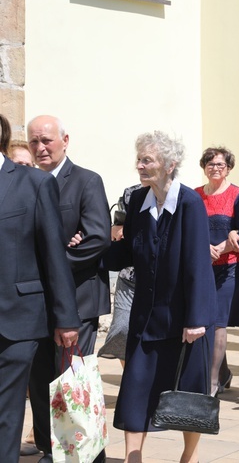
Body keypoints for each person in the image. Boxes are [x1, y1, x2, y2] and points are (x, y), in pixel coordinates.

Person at [104, 130, 216, 462]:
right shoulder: (138, 200)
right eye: (139, 159)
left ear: (170, 164)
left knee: (187, 393)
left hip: (183, 320)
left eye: (147, 160)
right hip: (146, 316)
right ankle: (133, 456)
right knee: (135, 389)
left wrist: (197, 319)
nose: (139, 165)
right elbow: (127, 252)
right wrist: (93, 249)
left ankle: (189, 455)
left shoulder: (190, 203)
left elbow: (197, 263)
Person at [27, 115, 111, 462]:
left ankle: (84, 452)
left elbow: (96, 237)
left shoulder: (86, 181)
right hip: (37, 302)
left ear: (64, 140)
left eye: (46, 140)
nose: (40, 147)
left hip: (78, 301)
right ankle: (50, 448)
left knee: (73, 381)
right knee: (40, 381)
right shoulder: (27, 182)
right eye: (34, 142)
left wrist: (55, 259)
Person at [0, 118, 80, 463]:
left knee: (7, 412)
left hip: (17, 319)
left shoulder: (34, 183)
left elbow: (53, 254)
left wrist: (66, 319)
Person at [196, 147, 239, 395]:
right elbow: (189, 229)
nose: (215, 168)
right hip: (202, 266)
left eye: (220, 164)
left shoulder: (237, 195)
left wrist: (222, 245)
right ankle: (225, 372)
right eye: (210, 163)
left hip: (229, 265)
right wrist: (203, 247)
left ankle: (212, 382)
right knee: (206, 321)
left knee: (218, 323)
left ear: (228, 168)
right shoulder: (195, 195)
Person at [97, 184, 141, 367]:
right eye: (140, 160)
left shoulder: (180, 195)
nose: (142, 166)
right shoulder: (131, 193)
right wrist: (117, 228)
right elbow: (119, 224)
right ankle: (130, 380)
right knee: (122, 329)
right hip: (129, 275)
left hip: (161, 280)